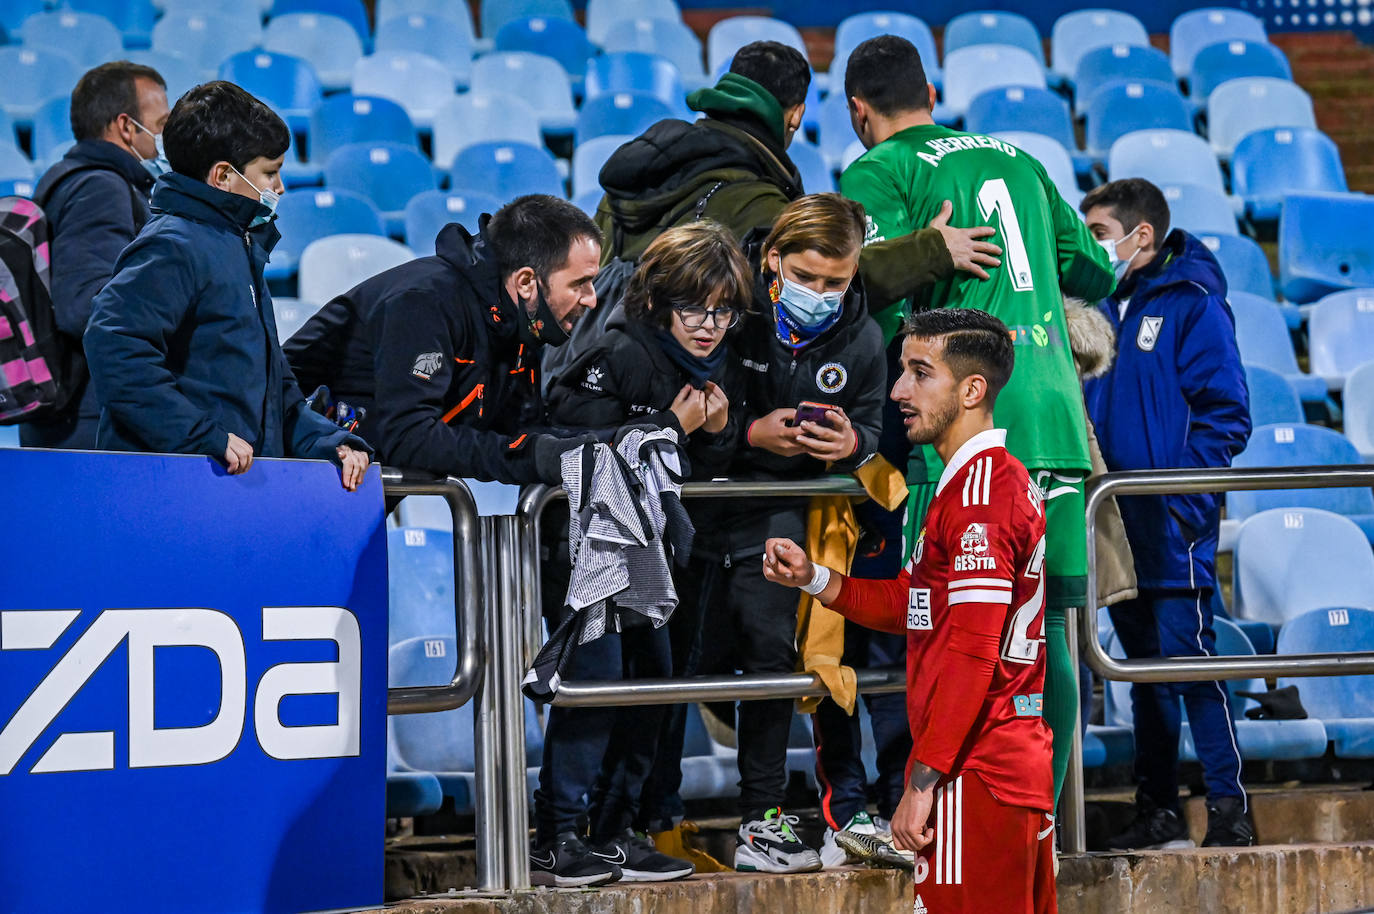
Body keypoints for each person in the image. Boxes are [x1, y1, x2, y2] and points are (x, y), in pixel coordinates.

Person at [839, 34, 1117, 814]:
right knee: (1049, 627)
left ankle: (948, 805)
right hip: (1055, 420)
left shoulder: (880, 168)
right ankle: (1043, 820)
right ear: (931, 95)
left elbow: (852, 274)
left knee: (946, 618)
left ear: (860, 111)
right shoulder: (1023, 159)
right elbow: (1093, 274)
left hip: (964, 423)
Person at [763, 308, 1056, 914]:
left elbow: (972, 654)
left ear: (972, 390)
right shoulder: (976, 482)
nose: (898, 390)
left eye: (920, 373)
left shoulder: (978, 496)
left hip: (977, 775)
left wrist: (921, 783)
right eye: (901, 372)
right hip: (1002, 767)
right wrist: (817, 579)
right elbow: (918, 607)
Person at [656, 194, 886, 875]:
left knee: (770, 663)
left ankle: (762, 821)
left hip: (779, 516)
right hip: (696, 514)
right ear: (774, 262)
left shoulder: (863, 338)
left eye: (835, 282)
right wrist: (746, 434)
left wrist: (849, 442)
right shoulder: (729, 312)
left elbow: (871, 430)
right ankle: (655, 815)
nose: (821, 294)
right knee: (674, 669)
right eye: (808, 278)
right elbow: (681, 423)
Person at [529, 222, 753, 887]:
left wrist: (714, 434)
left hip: (650, 554)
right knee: (595, 688)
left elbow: (686, 463)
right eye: (695, 308)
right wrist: (673, 427)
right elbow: (573, 440)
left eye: (723, 310)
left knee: (652, 689)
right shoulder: (619, 350)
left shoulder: (708, 362)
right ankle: (557, 833)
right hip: (588, 547)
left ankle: (615, 828)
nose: (710, 325)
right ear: (659, 302)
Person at [84, 81, 370, 490]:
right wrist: (203, 436)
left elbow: (276, 389)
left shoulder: (240, 246)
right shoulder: (172, 244)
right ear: (223, 176)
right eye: (270, 173)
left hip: (225, 489)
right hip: (173, 489)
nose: (280, 187)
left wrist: (329, 443)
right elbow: (115, 347)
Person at [1081, 178, 1254, 848]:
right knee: (1141, 671)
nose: (1091, 244)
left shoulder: (1193, 304)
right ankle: (1155, 808)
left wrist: (1184, 498)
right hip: (1113, 519)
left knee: (1189, 661)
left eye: (1098, 231)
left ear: (1140, 235)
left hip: (1172, 523)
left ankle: (1229, 805)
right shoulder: (1094, 303)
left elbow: (1228, 414)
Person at [283, 195, 602, 485]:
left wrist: (605, 441)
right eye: (581, 283)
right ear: (526, 282)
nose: (592, 299)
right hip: (286, 476)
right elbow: (410, 438)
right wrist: (534, 457)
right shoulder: (424, 302)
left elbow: (516, 432)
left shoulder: (516, 323)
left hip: (354, 486)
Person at [20, 61, 170, 449]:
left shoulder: (74, 177)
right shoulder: (101, 187)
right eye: (162, 122)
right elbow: (86, 305)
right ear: (126, 126)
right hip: (87, 421)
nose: (165, 136)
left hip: (74, 415)